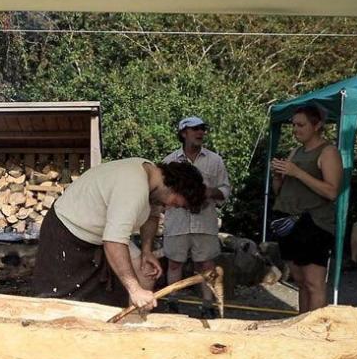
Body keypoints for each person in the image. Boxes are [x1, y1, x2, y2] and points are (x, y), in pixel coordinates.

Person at [29, 158, 207, 311]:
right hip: (67, 229)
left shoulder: (153, 180)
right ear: (174, 186)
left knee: (146, 274)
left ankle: (131, 329)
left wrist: (146, 251)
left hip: (102, 233)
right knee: (59, 300)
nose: (169, 208)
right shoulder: (133, 186)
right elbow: (114, 241)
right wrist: (134, 289)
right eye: (175, 203)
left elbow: (152, 216)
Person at [270, 105, 343, 312]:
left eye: (301, 125)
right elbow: (281, 191)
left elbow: (331, 192)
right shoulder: (296, 152)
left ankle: (318, 331)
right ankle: (301, 325)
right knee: (300, 281)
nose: (295, 129)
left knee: (314, 282)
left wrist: (297, 172)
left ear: (317, 125)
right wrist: (278, 176)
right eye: (293, 125)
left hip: (315, 223)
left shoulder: (328, 152)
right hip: (290, 222)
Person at [162, 116, 231, 318]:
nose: (200, 132)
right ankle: (172, 304)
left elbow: (226, 190)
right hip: (177, 223)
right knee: (174, 264)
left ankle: (208, 307)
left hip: (204, 223)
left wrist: (208, 192)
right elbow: (161, 194)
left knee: (207, 265)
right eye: (195, 129)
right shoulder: (169, 161)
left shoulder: (215, 160)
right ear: (183, 133)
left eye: (202, 128)